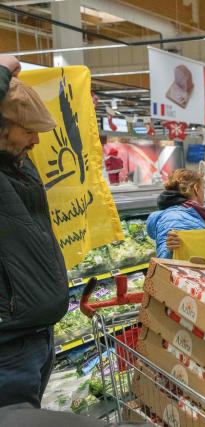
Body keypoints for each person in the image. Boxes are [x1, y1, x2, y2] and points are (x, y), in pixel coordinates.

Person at [0, 55, 70, 408]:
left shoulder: (18, 167)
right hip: (7, 352)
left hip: (37, 340)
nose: (36, 142)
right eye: (28, 130)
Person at [146, 168, 205, 259]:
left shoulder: (187, 214)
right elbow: (165, 262)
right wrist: (170, 250)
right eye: (203, 189)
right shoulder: (177, 218)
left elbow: (200, 248)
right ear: (196, 189)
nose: (203, 194)